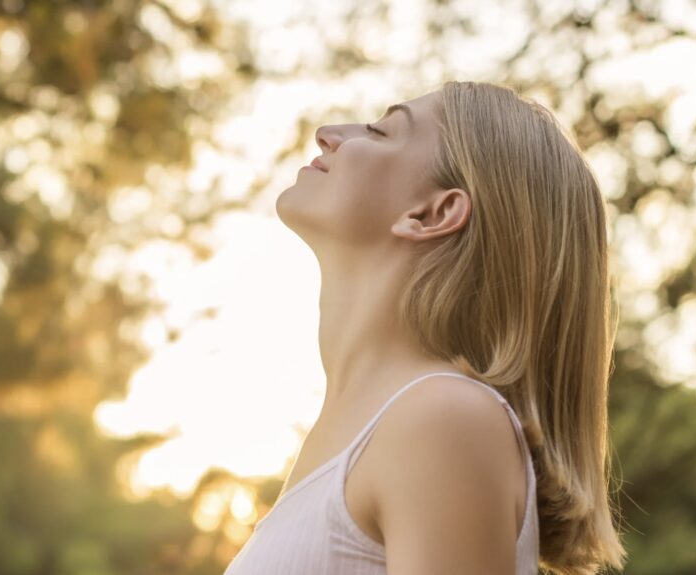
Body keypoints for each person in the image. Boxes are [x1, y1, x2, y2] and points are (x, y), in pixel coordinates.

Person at [224, 80, 628, 575]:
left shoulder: (442, 418)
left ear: (433, 213)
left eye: (379, 131)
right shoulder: (373, 429)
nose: (328, 134)